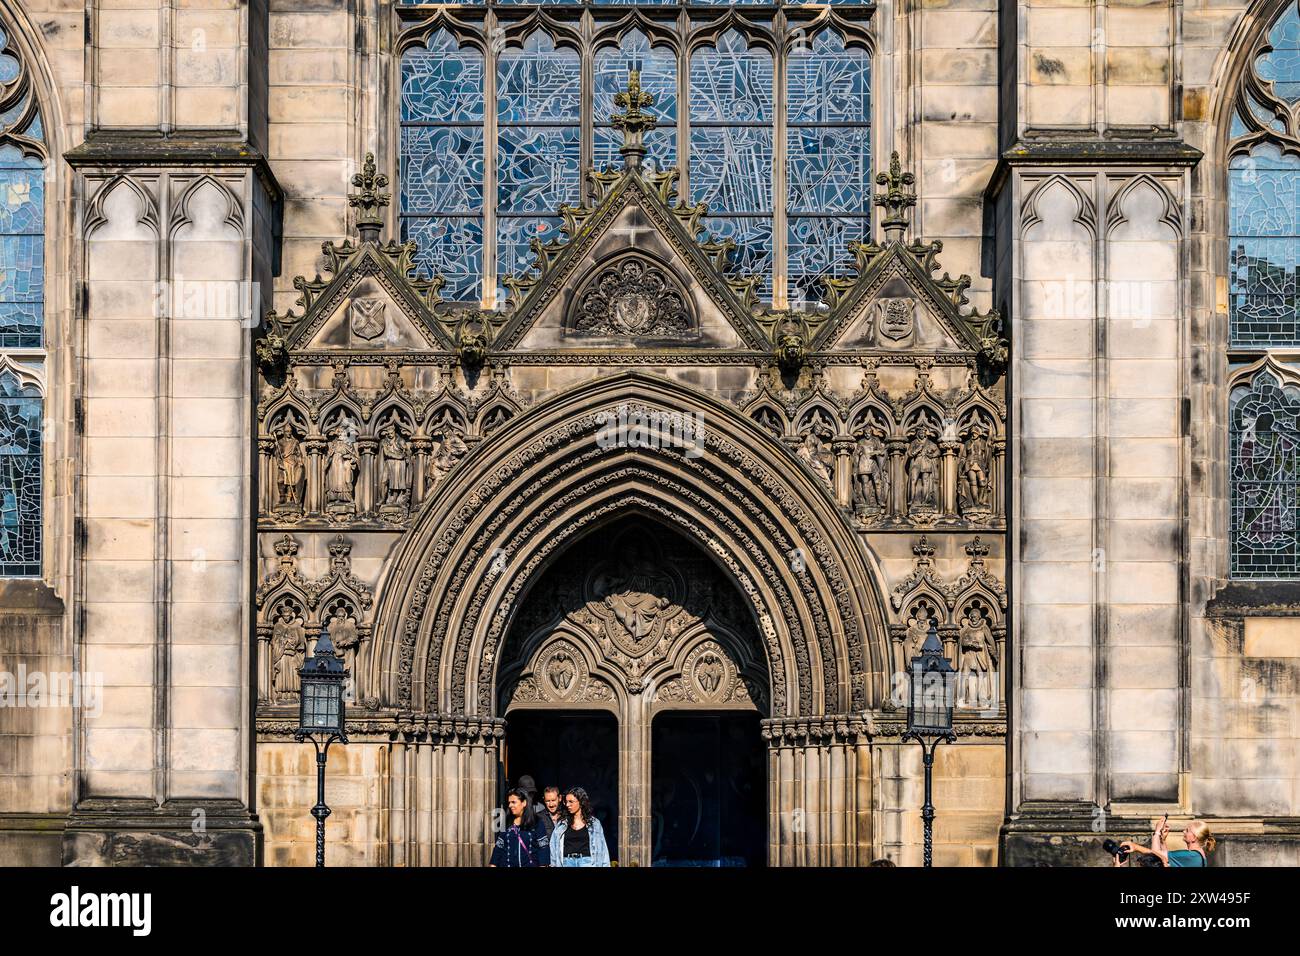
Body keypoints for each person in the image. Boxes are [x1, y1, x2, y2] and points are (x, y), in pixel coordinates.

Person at [490, 788, 551, 868]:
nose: (510, 805)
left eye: (513, 802)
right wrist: (493, 864)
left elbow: (543, 847)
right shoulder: (506, 822)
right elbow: (499, 847)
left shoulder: (537, 822)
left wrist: (543, 865)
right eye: (509, 802)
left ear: (524, 803)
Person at [550, 787, 610, 867]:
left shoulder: (594, 824)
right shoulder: (562, 824)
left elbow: (603, 850)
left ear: (581, 802)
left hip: (588, 862)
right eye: (566, 802)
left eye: (571, 802)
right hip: (567, 862)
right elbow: (553, 846)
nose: (567, 805)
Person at [1121, 819, 1215, 867]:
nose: (1183, 831)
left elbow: (1156, 853)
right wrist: (1162, 840)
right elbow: (1165, 860)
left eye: (1187, 830)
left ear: (1194, 838)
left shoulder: (1191, 856)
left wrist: (1157, 831)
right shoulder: (1197, 856)